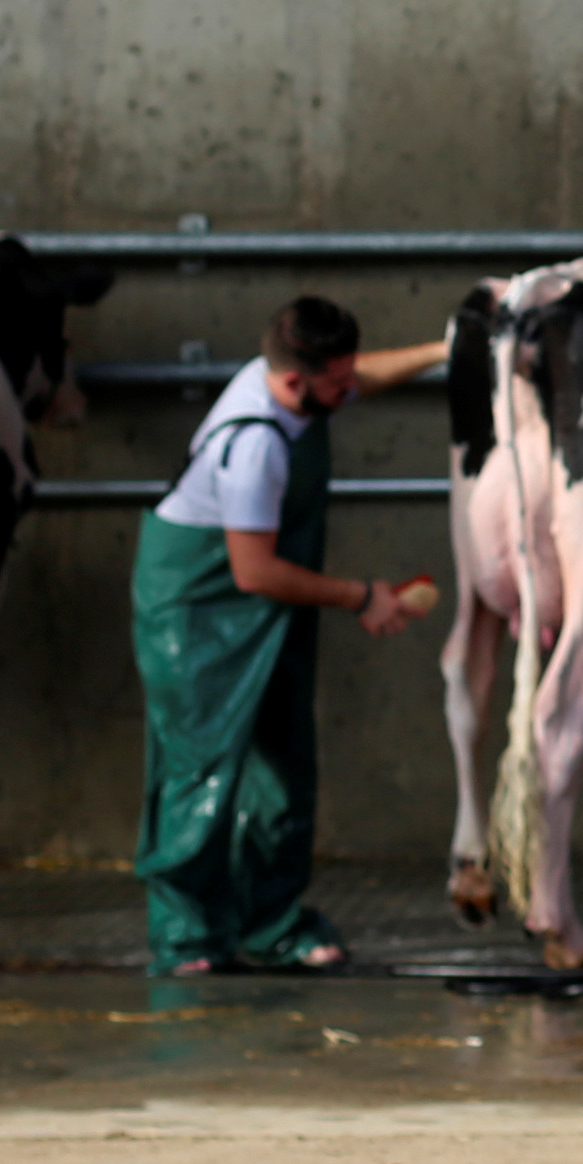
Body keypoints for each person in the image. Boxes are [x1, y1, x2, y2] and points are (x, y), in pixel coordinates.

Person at [132, 295, 447, 977]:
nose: (351, 388)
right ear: (296, 381)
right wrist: (364, 596)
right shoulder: (254, 446)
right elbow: (254, 570)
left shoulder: (298, 384)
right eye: (339, 382)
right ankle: (187, 937)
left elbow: (368, 373)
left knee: (284, 765)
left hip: (265, 612)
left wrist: (443, 349)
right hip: (199, 604)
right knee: (200, 769)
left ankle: (272, 925)